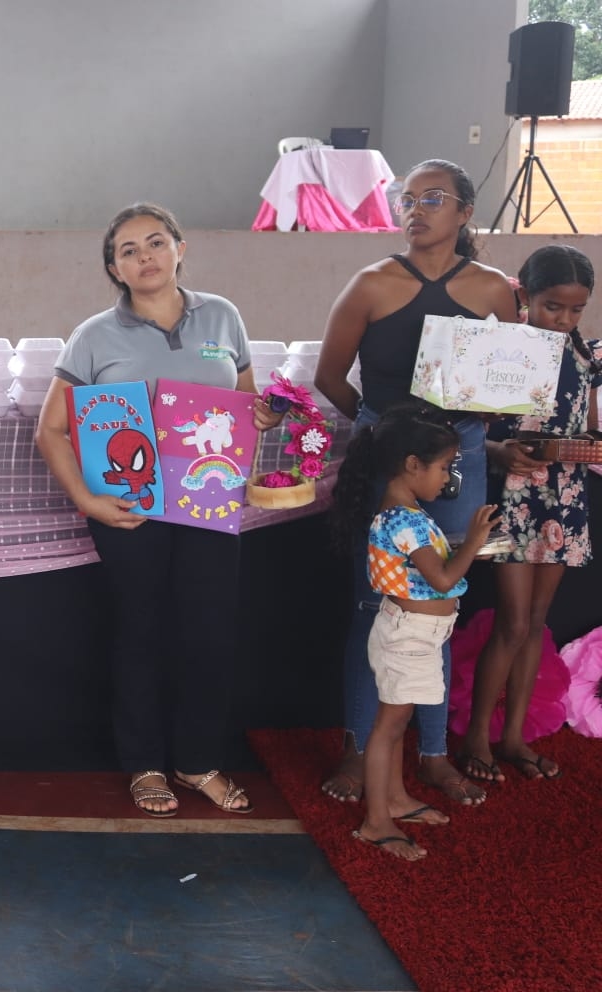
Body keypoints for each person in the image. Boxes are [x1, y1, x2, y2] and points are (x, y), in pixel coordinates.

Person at [34, 202, 283, 817]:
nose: (144, 256)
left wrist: (263, 420)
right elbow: (51, 430)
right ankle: (143, 764)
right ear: (114, 269)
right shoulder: (94, 336)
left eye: (155, 242)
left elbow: (246, 404)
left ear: (180, 249)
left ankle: (197, 761)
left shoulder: (223, 317)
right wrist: (88, 500)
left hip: (209, 503)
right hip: (131, 509)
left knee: (209, 635)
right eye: (128, 250)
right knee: (140, 633)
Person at [313, 159, 518, 807]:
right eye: (406, 199)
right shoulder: (371, 283)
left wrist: (472, 439)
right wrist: (383, 434)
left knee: (439, 607)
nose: (415, 209)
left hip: (460, 462)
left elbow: (509, 383)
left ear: (464, 212)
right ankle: (356, 746)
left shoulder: (493, 291)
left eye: (432, 198)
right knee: (373, 607)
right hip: (385, 464)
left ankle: (432, 754)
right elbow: (329, 377)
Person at [329, 401, 500, 860]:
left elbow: (432, 572)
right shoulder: (403, 519)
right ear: (412, 465)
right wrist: (474, 542)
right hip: (407, 638)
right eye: (444, 467)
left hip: (419, 635)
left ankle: (396, 800)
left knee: (397, 723)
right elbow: (442, 579)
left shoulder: (407, 514)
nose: (448, 478)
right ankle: (375, 822)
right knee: (387, 728)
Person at [464, 245, 600, 782]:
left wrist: (588, 446)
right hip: (513, 499)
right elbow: (466, 427)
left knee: (537, 623)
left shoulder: (587, 356)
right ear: (524, 295)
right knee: (513, 622)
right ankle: (477, 737)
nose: (564, 320)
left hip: (565, 501)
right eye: (552, 307)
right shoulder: (502, 348)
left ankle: (514, 738)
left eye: (576, 310)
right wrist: (499, 451)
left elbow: (588, 428)